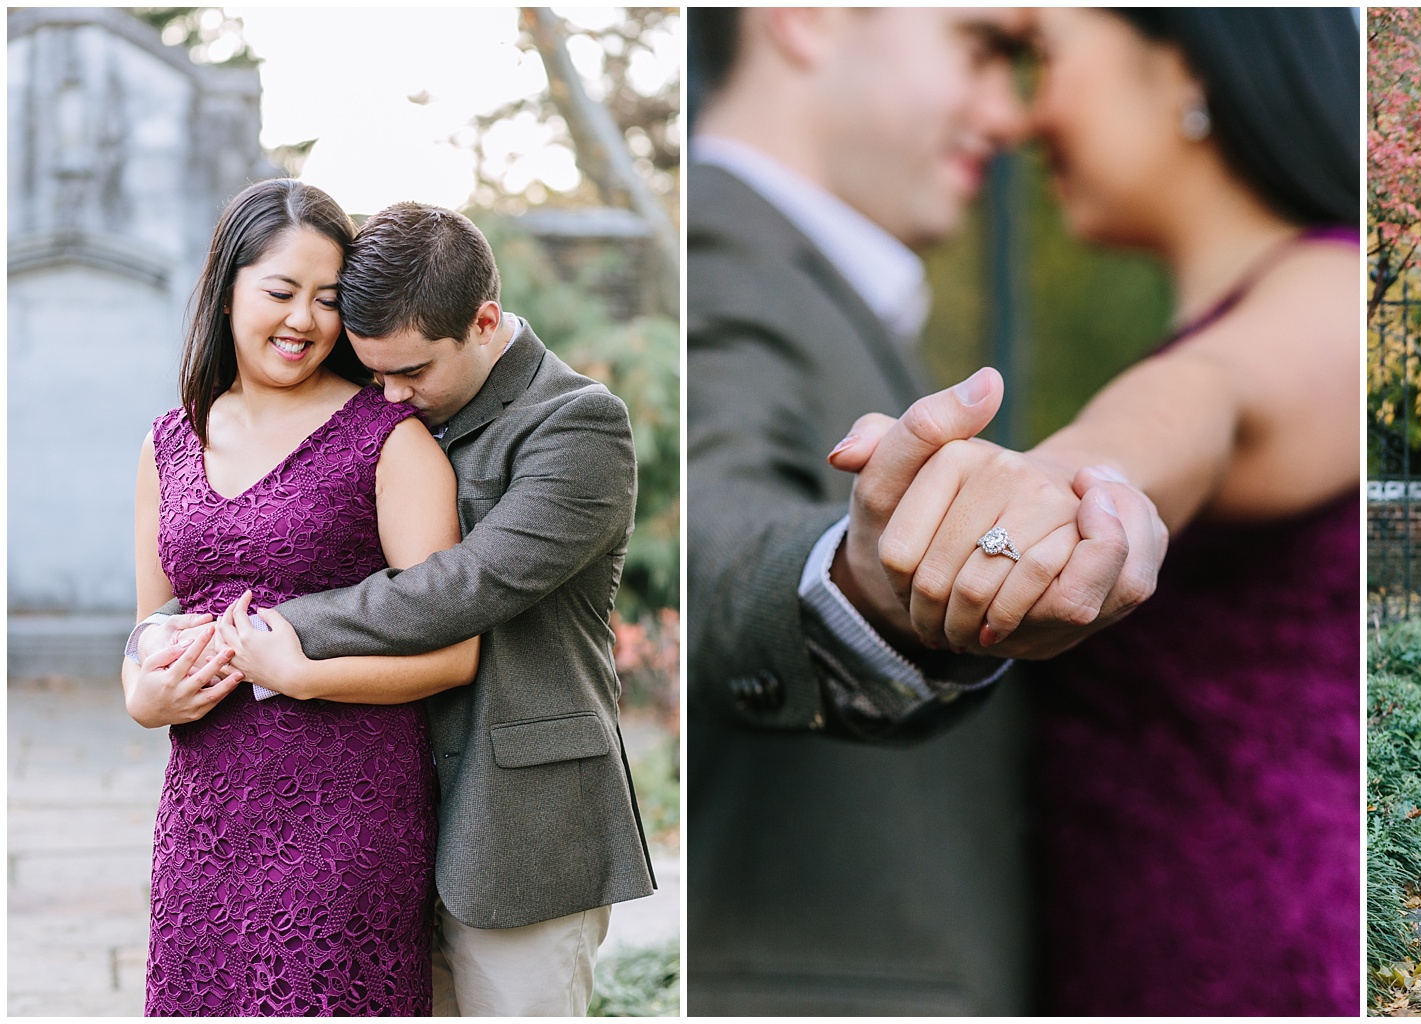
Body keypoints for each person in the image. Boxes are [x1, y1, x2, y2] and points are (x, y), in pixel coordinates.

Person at [828, 7, 1359, 1013]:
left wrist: (1068, 479)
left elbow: (1207, 400)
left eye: (1045, 60)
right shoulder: (1263, 296)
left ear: (1184, 67)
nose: (1023, 121)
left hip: (1245, 965)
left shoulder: (1323, 291)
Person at [685, 7, 1165, 1015]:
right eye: (982, 48)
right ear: (807, 19)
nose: (1011, 114)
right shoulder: (716, 260)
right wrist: (863, 584)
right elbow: (709, 516)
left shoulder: (822, 285)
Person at [137, 200, 655, 1015]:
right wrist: (148, 660)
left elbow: (459, 587)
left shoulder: (575, 425)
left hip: (514, 823)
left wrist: (269, 631)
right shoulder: (390, 408)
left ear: (484, 323)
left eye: (410, 373)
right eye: (374, 371)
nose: (390, 395)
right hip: (377, 807)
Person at [123, 178, 476, 1015]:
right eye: (281, 291)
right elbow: (149, 622)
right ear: (228, 288)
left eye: (326, 299)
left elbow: (455, 652)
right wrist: (144, 695)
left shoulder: (390, 441)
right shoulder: (169, 442)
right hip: (204, 814)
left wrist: (306, 676)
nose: (304, 321)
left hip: (348, 810)